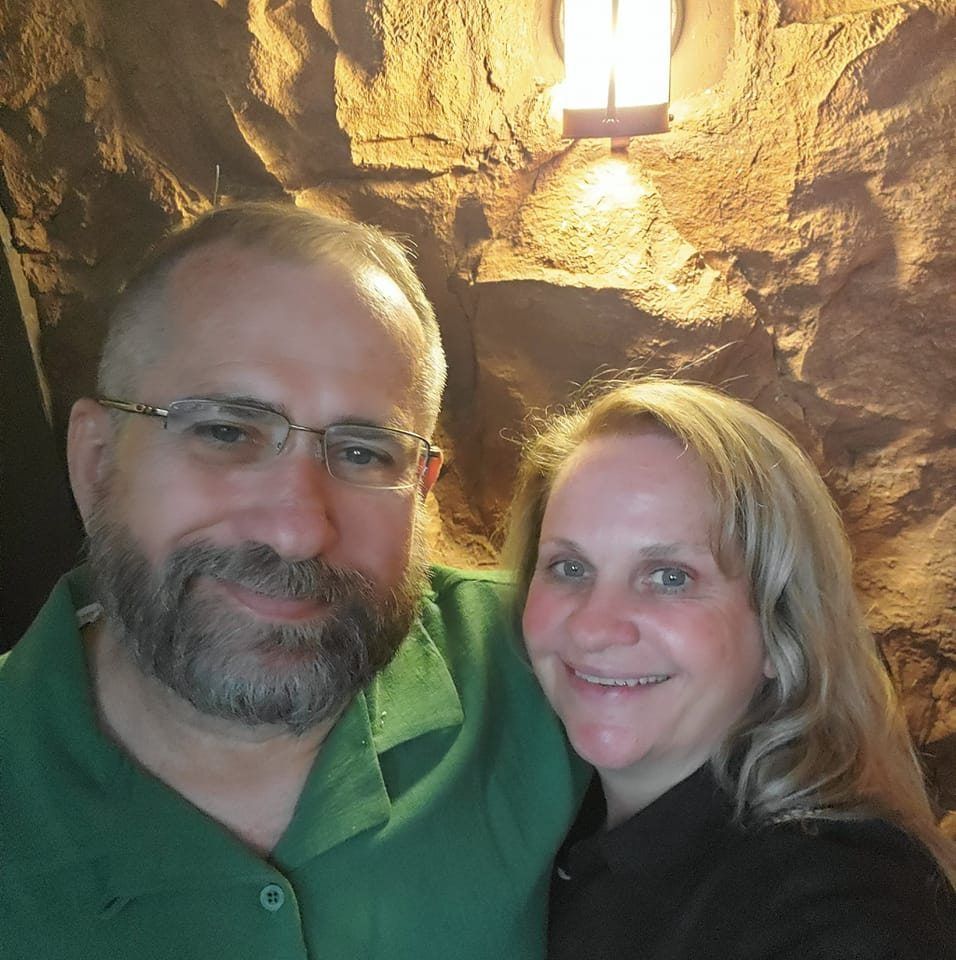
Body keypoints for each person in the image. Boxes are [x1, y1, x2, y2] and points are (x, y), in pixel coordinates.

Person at [0, 202, 585, 959]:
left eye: (365, 452)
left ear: (422, 489)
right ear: (97, 461)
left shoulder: (557, 662)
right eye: (225, 431)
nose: (298, 527)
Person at [504, 378, 956, 959]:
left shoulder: (836, 907)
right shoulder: (550, 816)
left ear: (779, 629)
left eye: (670, 576)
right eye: (569, 567)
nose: (594, 626)